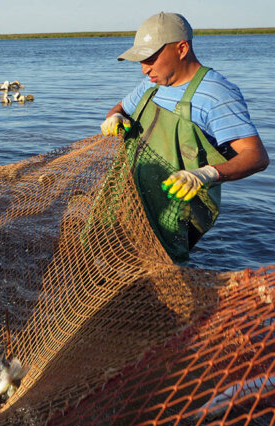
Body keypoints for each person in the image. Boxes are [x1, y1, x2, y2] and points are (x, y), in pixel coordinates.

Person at [101, 12, 269, 262]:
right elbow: (120, 108)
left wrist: (205, 174)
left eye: (150, 59)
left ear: (181, 48)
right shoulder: (152, 85)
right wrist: (113, 118)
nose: (144, 69)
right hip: (130, 199)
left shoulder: (216, 94)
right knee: (109, 256)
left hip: (175, 213)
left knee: (157, 271)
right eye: (140, 60)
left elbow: (256, 156)